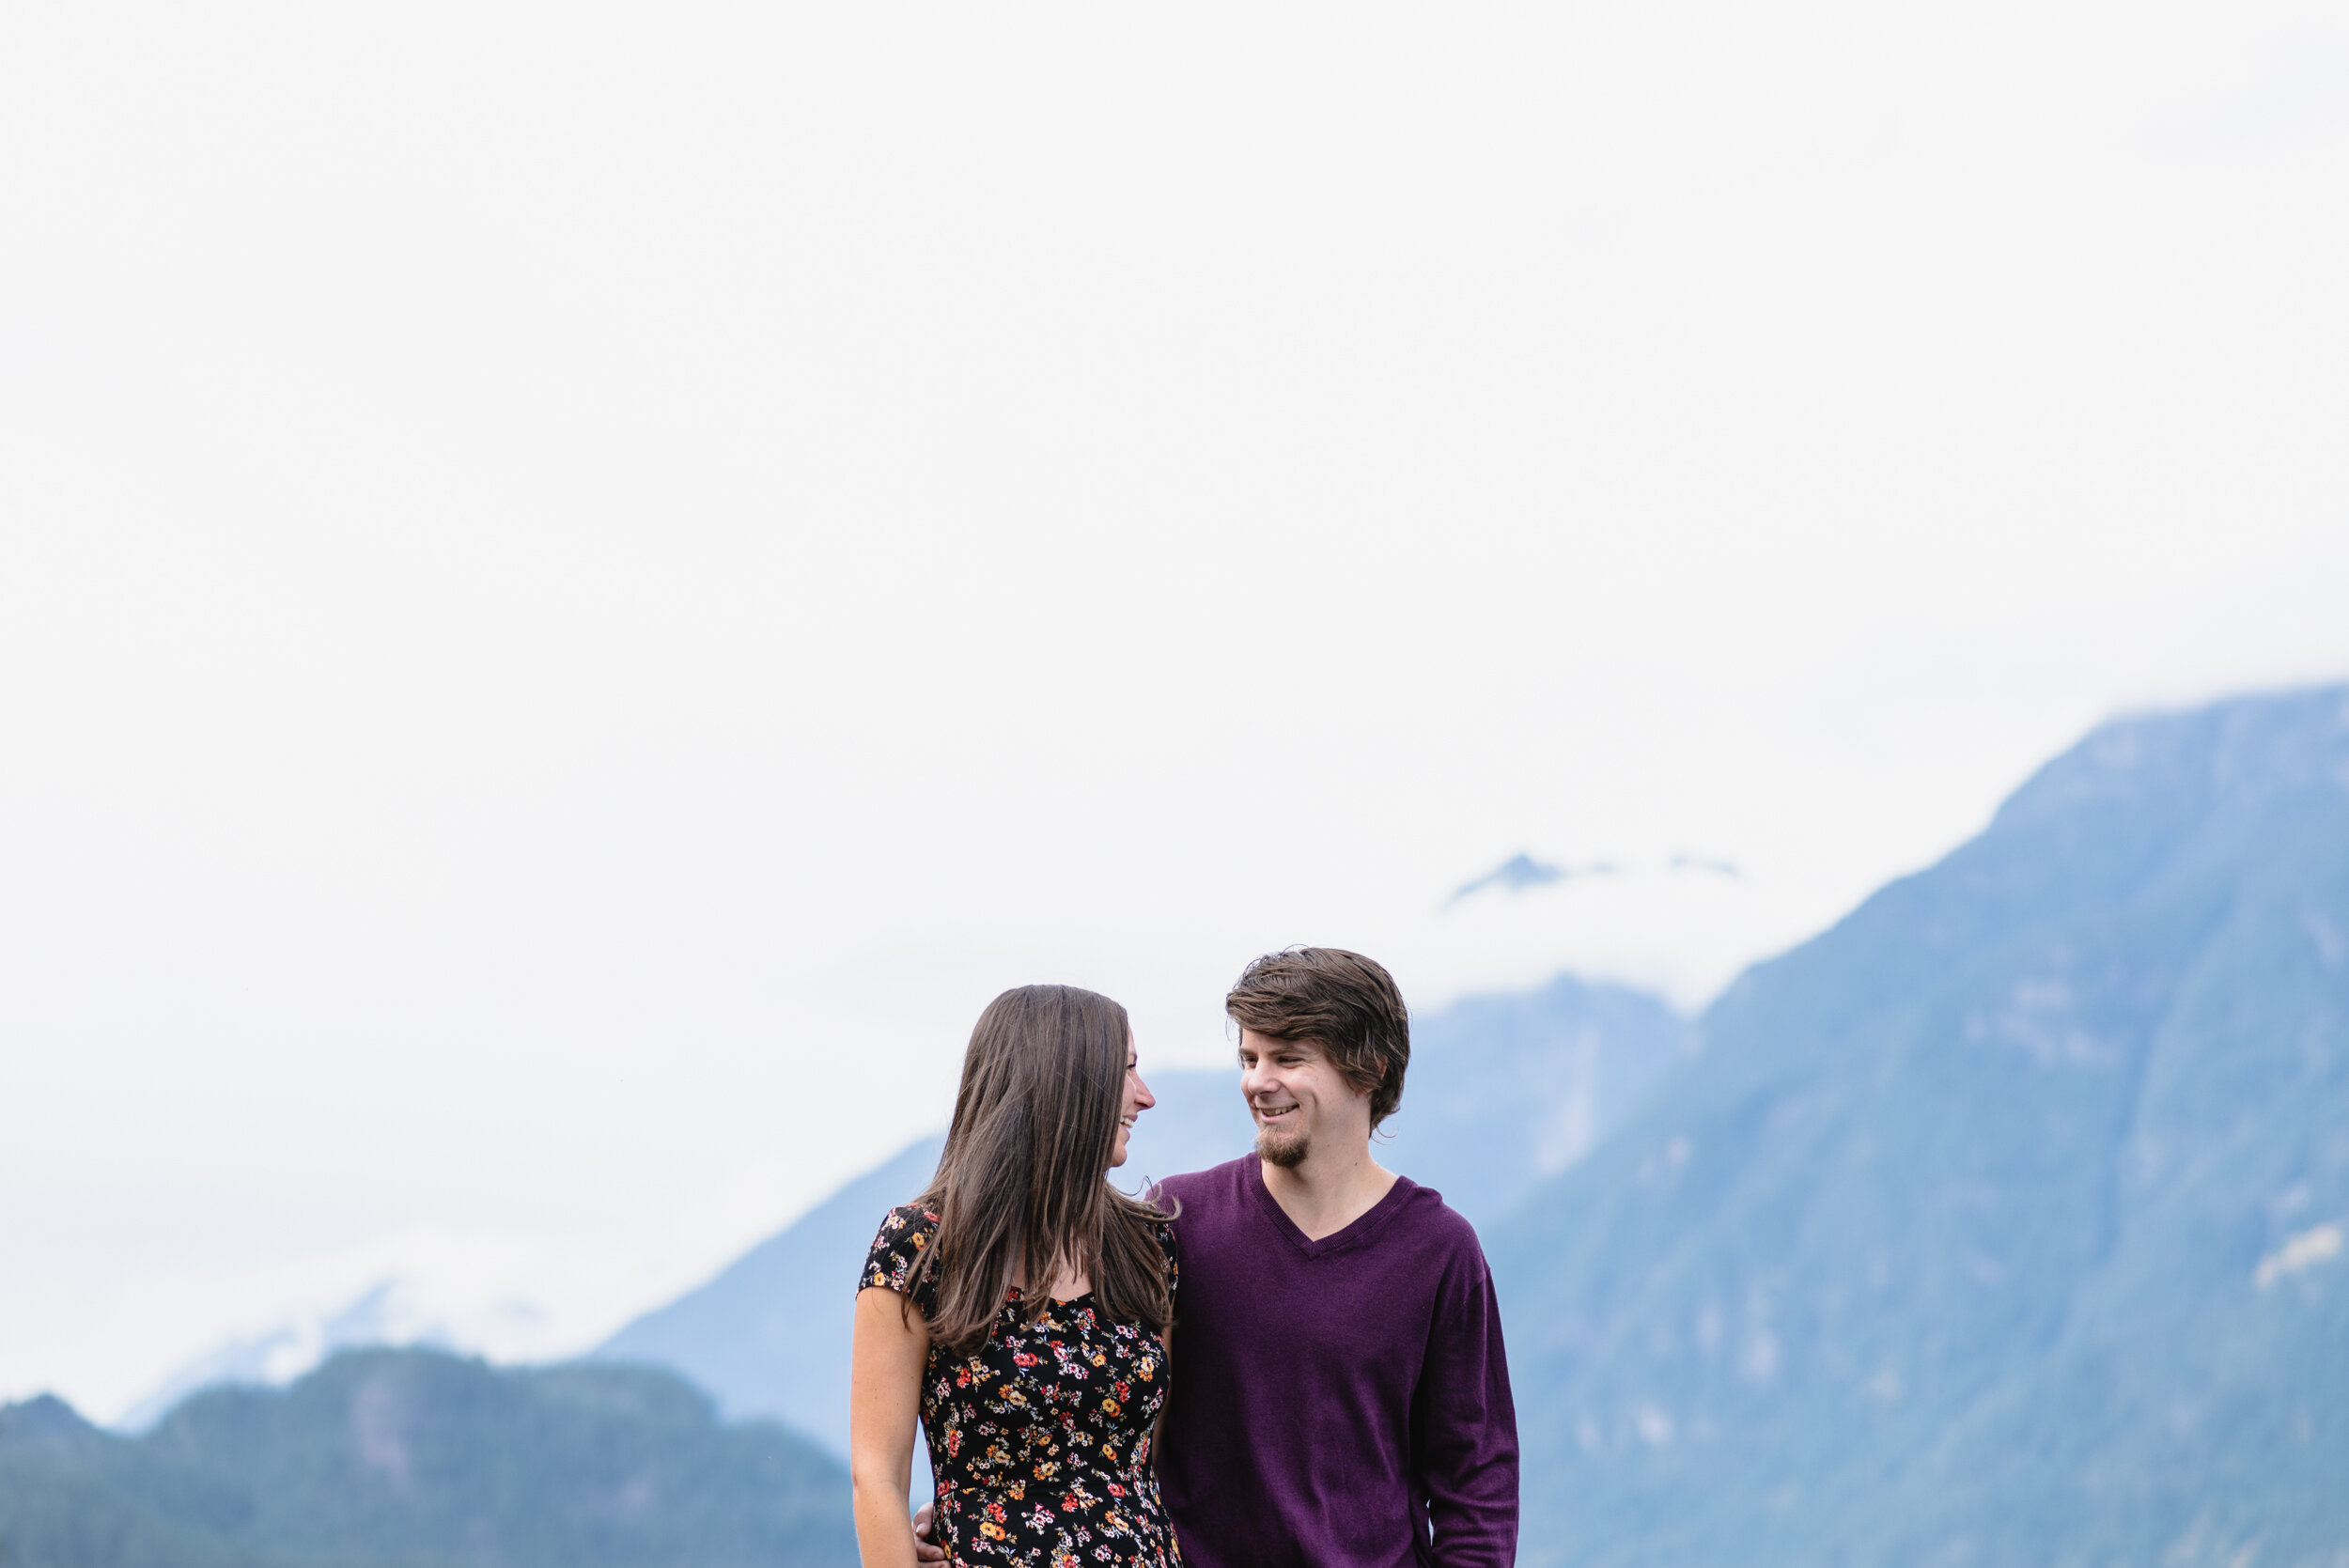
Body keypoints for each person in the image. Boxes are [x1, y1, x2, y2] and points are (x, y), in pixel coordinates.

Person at [919, 948, 1518, 1567]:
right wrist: (985, 1510)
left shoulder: (1440, 1249)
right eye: (1249, 1057)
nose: (1257, 1080)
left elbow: (1478, 1489)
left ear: (1367, 1070)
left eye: (1287, 1057)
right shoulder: (1175, 1220)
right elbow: (1087, 1409)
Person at [850, 983, 1181, 1568]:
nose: (1145, 1096)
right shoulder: (922, 1247)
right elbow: (876, 1476)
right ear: (1066, 1084)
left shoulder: (1146, 1246)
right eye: (1126, 1070)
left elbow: (1158, 1452)